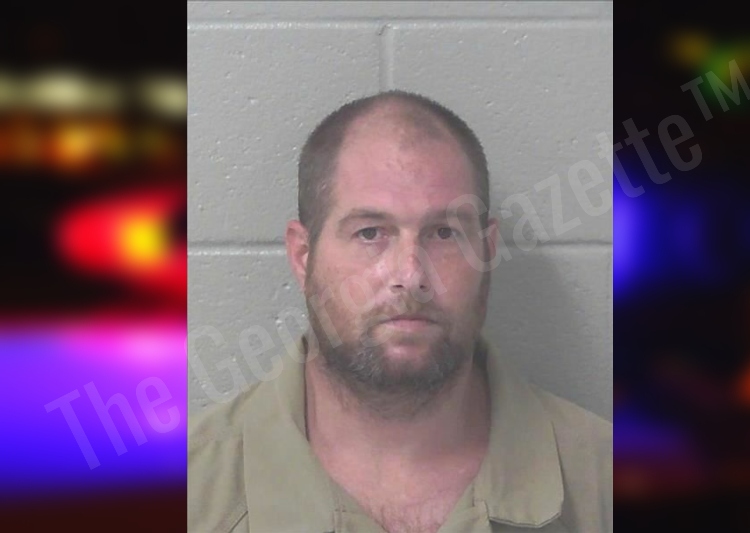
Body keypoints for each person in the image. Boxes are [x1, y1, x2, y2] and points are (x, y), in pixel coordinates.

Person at [188, 91, 612, 533]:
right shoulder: (187, 492)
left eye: (444, 233)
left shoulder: (603, 481)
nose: (410, 276)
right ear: (302, 255)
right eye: (370, 233)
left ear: (487, 253)